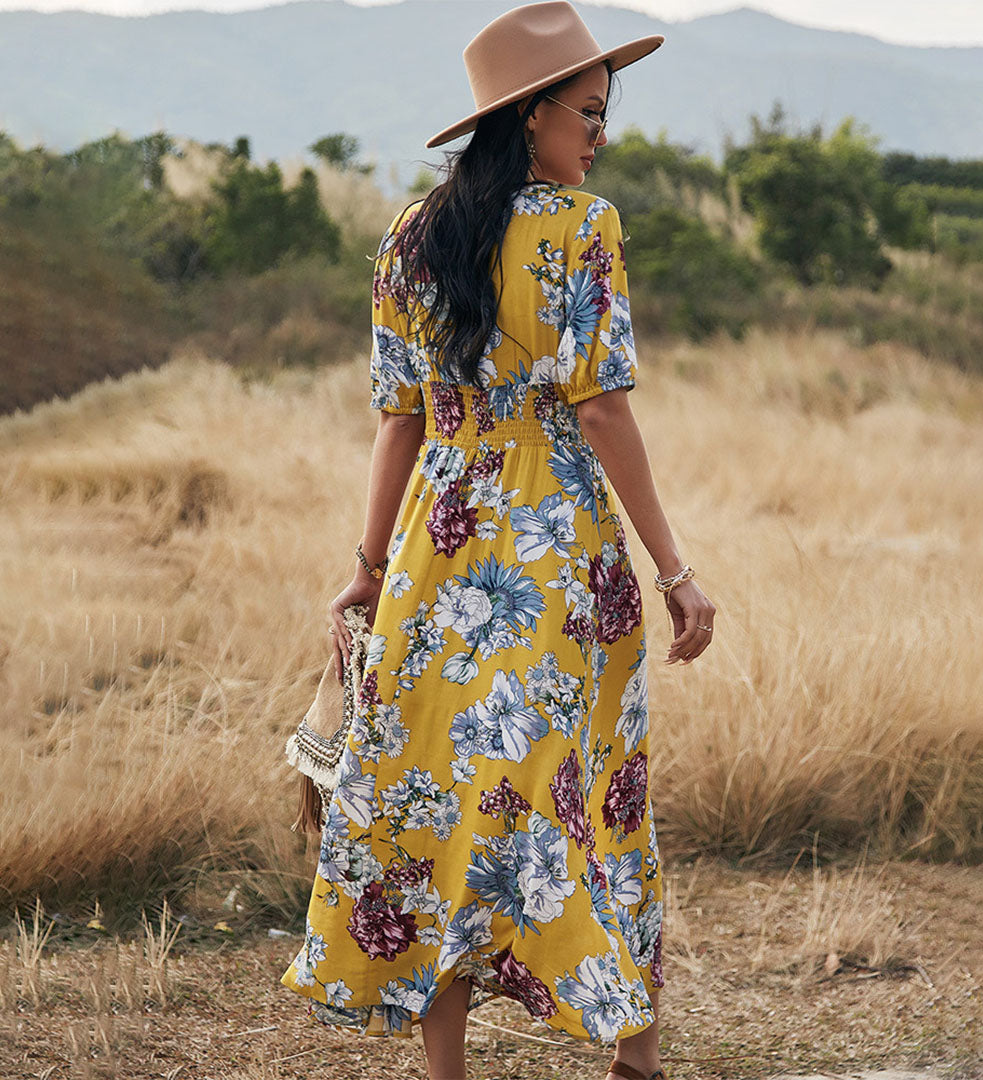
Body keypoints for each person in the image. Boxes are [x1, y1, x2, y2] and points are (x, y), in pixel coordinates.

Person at [280, 4, 716, 1079]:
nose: (599, 134)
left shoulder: (411, 237)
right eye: (589, 112)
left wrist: (370, 569)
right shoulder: (584, 227)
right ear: (531, 115)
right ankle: (636, 1059)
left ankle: (447, 1073)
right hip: (557, 558)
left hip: (440, 549)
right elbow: (603, 410)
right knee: (594, 784)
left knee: (451, 805)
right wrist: (676, 567)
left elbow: (400, 417)